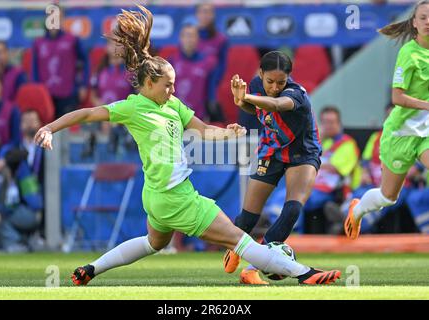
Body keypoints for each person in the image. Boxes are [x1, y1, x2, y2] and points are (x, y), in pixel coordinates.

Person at [35, 6, 340, 286]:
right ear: (148, 84)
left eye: (174, 83)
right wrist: (49, 127)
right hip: (176, 198)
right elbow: (88, 113)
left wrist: (228, 133)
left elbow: (205, 130)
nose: (172, 89)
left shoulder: (173, 106)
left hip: (156, 198)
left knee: (152, 243)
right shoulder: (132, 107)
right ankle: (304, 274)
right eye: (167, 84)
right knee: (240, 239)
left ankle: (91, 269)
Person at [222, 51, 323, 285]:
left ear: (289, 78)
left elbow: (277, 105)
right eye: (270, 81)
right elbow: (257, 110)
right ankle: (236, 248)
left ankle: (253, 267)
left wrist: (246, 96)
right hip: (272, 150)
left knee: (292, 211)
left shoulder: (296, 94)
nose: (275, 87)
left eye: (281, 82)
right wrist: (242, 102)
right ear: (260, 74)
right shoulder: (257, 86)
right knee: (246, 218)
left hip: (302, 152)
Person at [345, 0, 429, 240]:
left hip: (427, 131)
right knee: (387, 197)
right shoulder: (408, 53)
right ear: (414, 23)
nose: (428, 22)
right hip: (402, 132)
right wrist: (426, 105)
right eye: (423, 17)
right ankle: (357, 209)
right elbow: (397, 97)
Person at [304, 106, 360, 234]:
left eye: (331, 122)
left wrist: (316, 162)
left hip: (338, 190)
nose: (328, 126)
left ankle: (341, 220)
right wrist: (319, 139)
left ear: (339, 124)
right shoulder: (324, 142)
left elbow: (336, 169)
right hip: (316, 185)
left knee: (303, 198)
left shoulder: (347, 143)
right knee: (290, 192)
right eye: (324, 122)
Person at [32, 8, 89, 118]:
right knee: (47, 131)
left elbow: (85, 62)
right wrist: (36, 91)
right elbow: (35, 69)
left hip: (68, 94)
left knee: (66, 131)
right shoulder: (38, 43)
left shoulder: (72, 39)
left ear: (62, 19)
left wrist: (83, 84)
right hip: (46, 95)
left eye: (57, 17)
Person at [168, 23, 217, 120]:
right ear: (180, 38)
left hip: (199, 117)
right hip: (175, 116)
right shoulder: (171, 62)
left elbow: (211, 90)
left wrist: (210, 109)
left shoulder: (208, 62)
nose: (189, 39)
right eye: (186, 36)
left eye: (192, 36)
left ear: (198, 39)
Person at [194, 3, 228, 122]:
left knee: (216, 123)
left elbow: (222, 67)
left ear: (213, 15)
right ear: (197, 15)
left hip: (212, 87)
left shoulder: (221, 39)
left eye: (208, 12)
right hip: (194, 86)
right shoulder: (191, 37)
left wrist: (213, 90)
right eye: (202, 12)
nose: (205, 16)